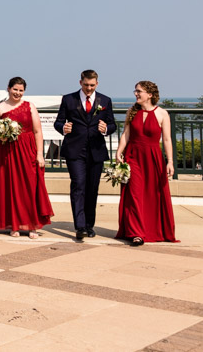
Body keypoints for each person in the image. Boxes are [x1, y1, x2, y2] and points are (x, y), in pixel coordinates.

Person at [53, 69, 117, 242]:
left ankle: (89, 224)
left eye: (92, 85)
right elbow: (58, 121)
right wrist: (62, 128)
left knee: (92, 188)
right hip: (75, 150)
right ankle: (80, 227)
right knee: (78, 185)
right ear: (80, 82)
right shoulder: (68, 99)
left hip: (96, 151)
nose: (89, 88)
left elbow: (113, 124)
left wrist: (106, 129)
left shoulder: (105, 100)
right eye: (86, 85)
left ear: (97, 83)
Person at [0, 77, 54, 238]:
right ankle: (14, 225)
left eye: (20, 90)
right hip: (7, 152)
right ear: (8, 88)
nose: (17, 93)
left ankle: (32, 225)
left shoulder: (30, 106)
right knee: (10, 187)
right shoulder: (0, 107)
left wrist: (40, 154)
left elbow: (38, 131)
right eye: (15, 89)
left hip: (28, 150)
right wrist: (2, 135)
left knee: (30, 187)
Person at [115, 81, 178, 245]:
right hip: (133, 156)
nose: (136, 94)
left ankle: (151, 229)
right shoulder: (131, 111)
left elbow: (167, 140)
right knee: (134, 194)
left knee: (152, 194)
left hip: (152, 157)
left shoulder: (162, 114)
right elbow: (126, 134)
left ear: (150, 95)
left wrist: (170, 161)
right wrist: (118, 152)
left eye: (139, 91)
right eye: (135, 91)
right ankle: (136, 233)